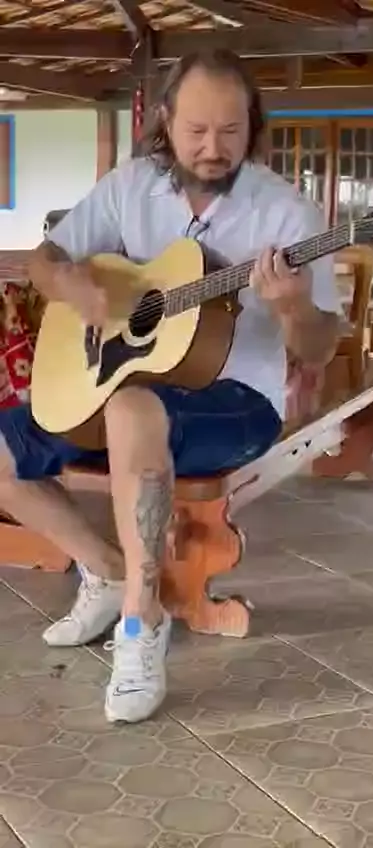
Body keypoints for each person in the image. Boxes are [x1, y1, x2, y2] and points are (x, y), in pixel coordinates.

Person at [0, 49, 340, 724]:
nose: (213, 148)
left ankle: (142, 620)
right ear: (165, 121)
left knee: (133, 406)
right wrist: (70, 284)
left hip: (237, 401)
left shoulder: (287, 216)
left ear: (254, 126)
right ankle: (105, 570)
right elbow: (46, 257)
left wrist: (294, 307)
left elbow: (319, 347)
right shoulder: (131, 186)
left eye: (231, 131)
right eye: (196, 131)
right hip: (120, 383)